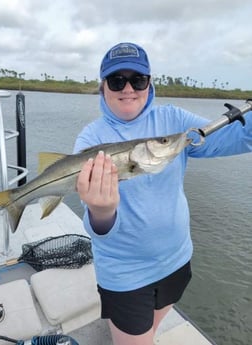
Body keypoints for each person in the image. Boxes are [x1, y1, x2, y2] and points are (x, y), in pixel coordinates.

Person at [73, 42, 252, 345]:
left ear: (149, 83)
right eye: (117, 80)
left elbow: (236, 138)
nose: (128, 88)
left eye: (138, 80)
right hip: (125, 273)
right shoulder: (91, 139)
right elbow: (96, 226)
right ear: (103, 87)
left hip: (177, 259)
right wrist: (101, 212)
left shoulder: (174, 122)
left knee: (149, 330)